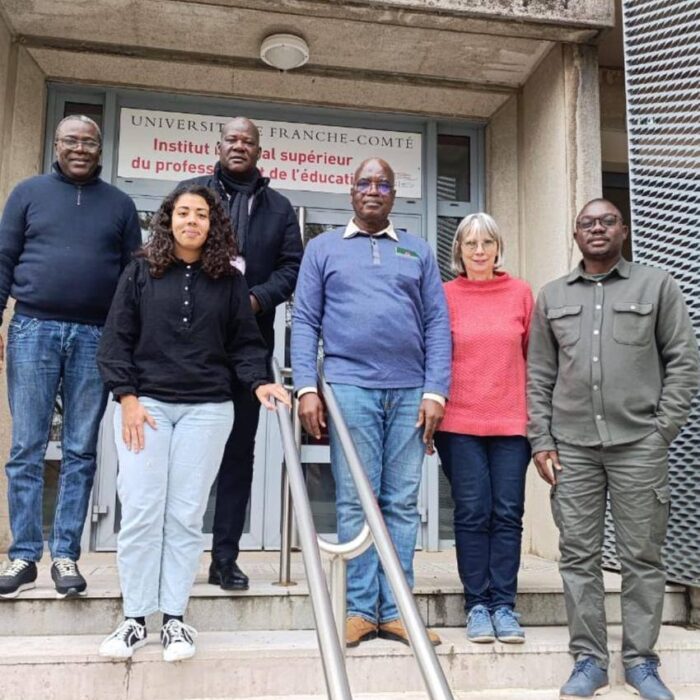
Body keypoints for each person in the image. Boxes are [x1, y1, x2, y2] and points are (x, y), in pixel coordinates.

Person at [96, 184, 289, 661]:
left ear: (212, 224)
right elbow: (116, 339)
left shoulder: (229, 280)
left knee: (184, 516)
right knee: (141, 510)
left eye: (201, 215)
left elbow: (244, 343)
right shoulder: (140, 271)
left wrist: (259, 382)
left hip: (207, 410)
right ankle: (135, 618)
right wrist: (127, 398)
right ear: (168, 219)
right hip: (147, 408)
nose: (191, 221)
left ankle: (175, 620)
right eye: (183, 213)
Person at [527, 199, 700, 700]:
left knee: (641, 555)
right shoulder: (552, 296)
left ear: (623, 230)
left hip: (639, 445)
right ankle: (589, 660)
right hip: (572, 448)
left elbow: (684, 361)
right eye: (587, 223)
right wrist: (541, 439)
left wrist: (662, 431)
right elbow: (539, 374)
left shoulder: (657, 286)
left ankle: (642, 661)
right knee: (578, 555)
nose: (597, 228)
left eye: (607, 221)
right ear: (575, 234)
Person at [291, 157, 451, 647]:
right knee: (355, 500)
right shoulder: (322, 248)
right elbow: (305, 320)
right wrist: (306, 387)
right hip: (349, 388)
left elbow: (437, 324)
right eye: (365, 183)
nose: (374, 190)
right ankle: (360, 610)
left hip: (410, 392)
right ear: (352, 192)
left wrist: (435, 390)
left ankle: (398, 609)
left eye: (384, 184)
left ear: (394, 195)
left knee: (400, 502)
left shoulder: (418, 251)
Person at [0, 115, 142, 599]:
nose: (79, 149)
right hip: (32, 329)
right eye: (71, 141)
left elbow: (131, 278)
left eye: (89, 142)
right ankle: (23, 555)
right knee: (27, 447)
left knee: (80, 449)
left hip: (95, 336)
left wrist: (126, 340)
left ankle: (65, 554)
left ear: (101, 149)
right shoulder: (27, 193)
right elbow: (4, 258)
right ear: (56, 145)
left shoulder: (120, 204)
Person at [182, 117, 302, 591]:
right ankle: (177, 558)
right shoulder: (193, 195)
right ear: (219, 145)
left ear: (258, 150)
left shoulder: (279, 208)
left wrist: (255, 299)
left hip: (249, 348)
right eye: (231, 139)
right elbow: (168, 252)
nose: (238, 146)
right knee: (187, 457)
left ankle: (224, 558)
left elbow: (292, 268)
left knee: (238, 454)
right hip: (191, 347)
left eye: (247, 141)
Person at [434, 213, 533, 645]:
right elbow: (434, 357)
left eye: (487, 243)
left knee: (507, 513)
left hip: (512, 422)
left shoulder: (520, 293)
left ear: (498, 248)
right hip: (459, 423)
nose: (479, 251)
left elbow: (535, 359)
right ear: (458, 249)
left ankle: (503, 606)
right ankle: (477, 604)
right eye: (470, 243)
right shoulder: (444, 295)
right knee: (473, 511)